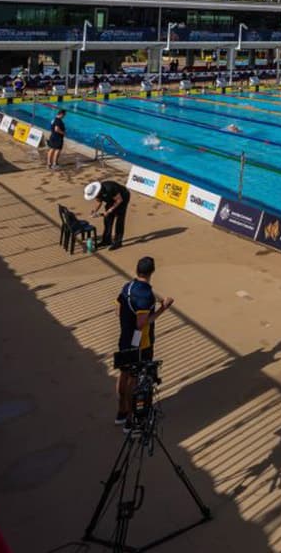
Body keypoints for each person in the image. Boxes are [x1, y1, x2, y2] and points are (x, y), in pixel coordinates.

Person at [115, 256, 173, 427]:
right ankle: (131, 419)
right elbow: (142, 323)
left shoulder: (128, 287)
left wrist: (153, 298)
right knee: (135, 379)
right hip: (141, 344)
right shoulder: (146, 296)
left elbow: (118, 310)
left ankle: (121, 412)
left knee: (124, 375)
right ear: (152, 272)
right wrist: (163, 308)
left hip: (124, 339)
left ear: (137, 270)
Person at [90, 180, 130, 249]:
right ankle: (106, 240)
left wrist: (109, 211)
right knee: (107, 219)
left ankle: (118, 242)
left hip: (123, 198)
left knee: (119, 220)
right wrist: (95, 211)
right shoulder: (97, 193)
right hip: (112, 199)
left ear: (98, 191)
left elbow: (119, 200)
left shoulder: (110, 188)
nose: (95, 197)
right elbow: (99, 202)